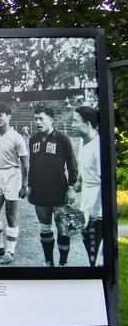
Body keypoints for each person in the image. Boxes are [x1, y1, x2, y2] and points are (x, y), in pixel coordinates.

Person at [28, 106, 78, 267]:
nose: (37, 122)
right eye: (35, 119)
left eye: (41, 118)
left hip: (59, 190)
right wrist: (30, 186)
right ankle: (49, 262)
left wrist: (70, 187)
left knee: (63, 228)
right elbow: (32, 166)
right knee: (45, 227)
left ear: (51, 119)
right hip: (39, 190)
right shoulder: (33, 140)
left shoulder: (62, 139)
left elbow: (72, 165)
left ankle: (63, 263)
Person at [0, 104, 28, 265]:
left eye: (0, 115)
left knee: (11, 215)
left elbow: (24, 162)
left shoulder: (17, 137)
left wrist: (24, 184)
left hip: (12, 175)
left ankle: (10, 251)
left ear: (9, 117)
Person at [72, 106, 102, 267]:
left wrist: (96, 209)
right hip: (87, 198)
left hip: (98, 204)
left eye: (76, 121)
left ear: (88, 124)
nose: (72, 125)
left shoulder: (98, 147)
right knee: (87, 241)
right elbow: (84, 166)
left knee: (94, 249)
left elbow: (105, 181)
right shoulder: (84, 142)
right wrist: (79, 181)